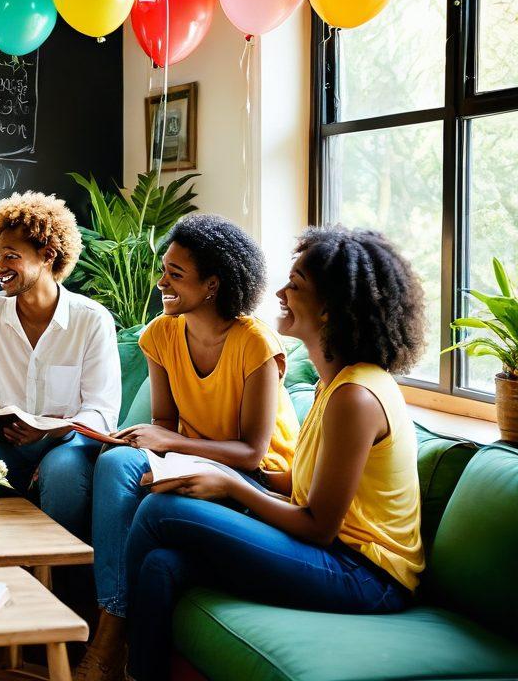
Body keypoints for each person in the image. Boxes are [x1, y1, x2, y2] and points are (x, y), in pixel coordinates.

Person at [122, 227, 426, 681]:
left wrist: (231, 483)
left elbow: (320, 527)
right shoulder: (334, 383)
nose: (280, 293)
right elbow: (303, 486)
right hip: (336, 555)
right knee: (161, 565)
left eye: (296, 286)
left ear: (329, 310)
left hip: (366, 576)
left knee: (161, 510)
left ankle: (108, 641)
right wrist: (206, 469)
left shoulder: (356, 396)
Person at [77, 214, 299, 680]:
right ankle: (113, 624)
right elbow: (163, 422)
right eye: (164, 270)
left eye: (175, 274)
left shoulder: (254, 343)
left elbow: (254, 453)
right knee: (117, 461)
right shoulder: (161, 333)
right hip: (192, 459)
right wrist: (144, 440)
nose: (162, 282)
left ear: (213, 284)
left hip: (255, 481)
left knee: (135, 484)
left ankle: (109, 640)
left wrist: (170, 441)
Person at [0, 191, 120, 538]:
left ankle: (58, 579)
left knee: (62, 470)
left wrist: (51, 430)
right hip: (7, 447)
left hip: (67, 445)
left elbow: (101, 413)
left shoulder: (92, 320)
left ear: (47, 256)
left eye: (11, 257)